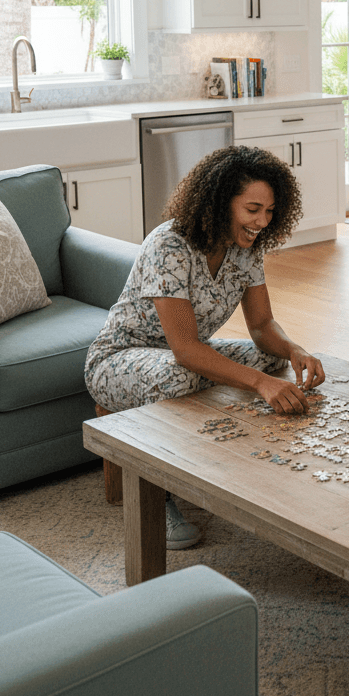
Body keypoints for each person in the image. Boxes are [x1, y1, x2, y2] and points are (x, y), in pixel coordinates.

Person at [85, 145, 325, 549]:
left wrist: (294, 348)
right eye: (252, 210)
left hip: (188, 357)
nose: (262, 222)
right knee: (190, 373)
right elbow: (185, 350)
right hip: (118, 359)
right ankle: (156, 496)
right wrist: (261, 385)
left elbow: (263, 326)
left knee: (270, 357)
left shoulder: (247, 248)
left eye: (269, 212)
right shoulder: (170, 245)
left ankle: (237, 459)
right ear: (220, 202)